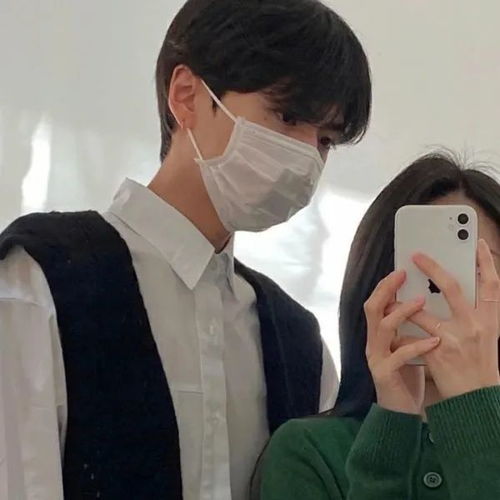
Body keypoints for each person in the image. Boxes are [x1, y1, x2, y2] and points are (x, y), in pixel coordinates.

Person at [0, 0, 371, 499]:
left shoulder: (299, 344)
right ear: (187, 95)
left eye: (325, 141)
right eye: (287, 117)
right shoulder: (43, 282)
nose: (306, 156)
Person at [257, 151, 500, 499]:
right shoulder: (308, 451)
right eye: (420, 272)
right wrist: (390, 436)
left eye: (472, 270)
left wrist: (479, 410)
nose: (446, 290)